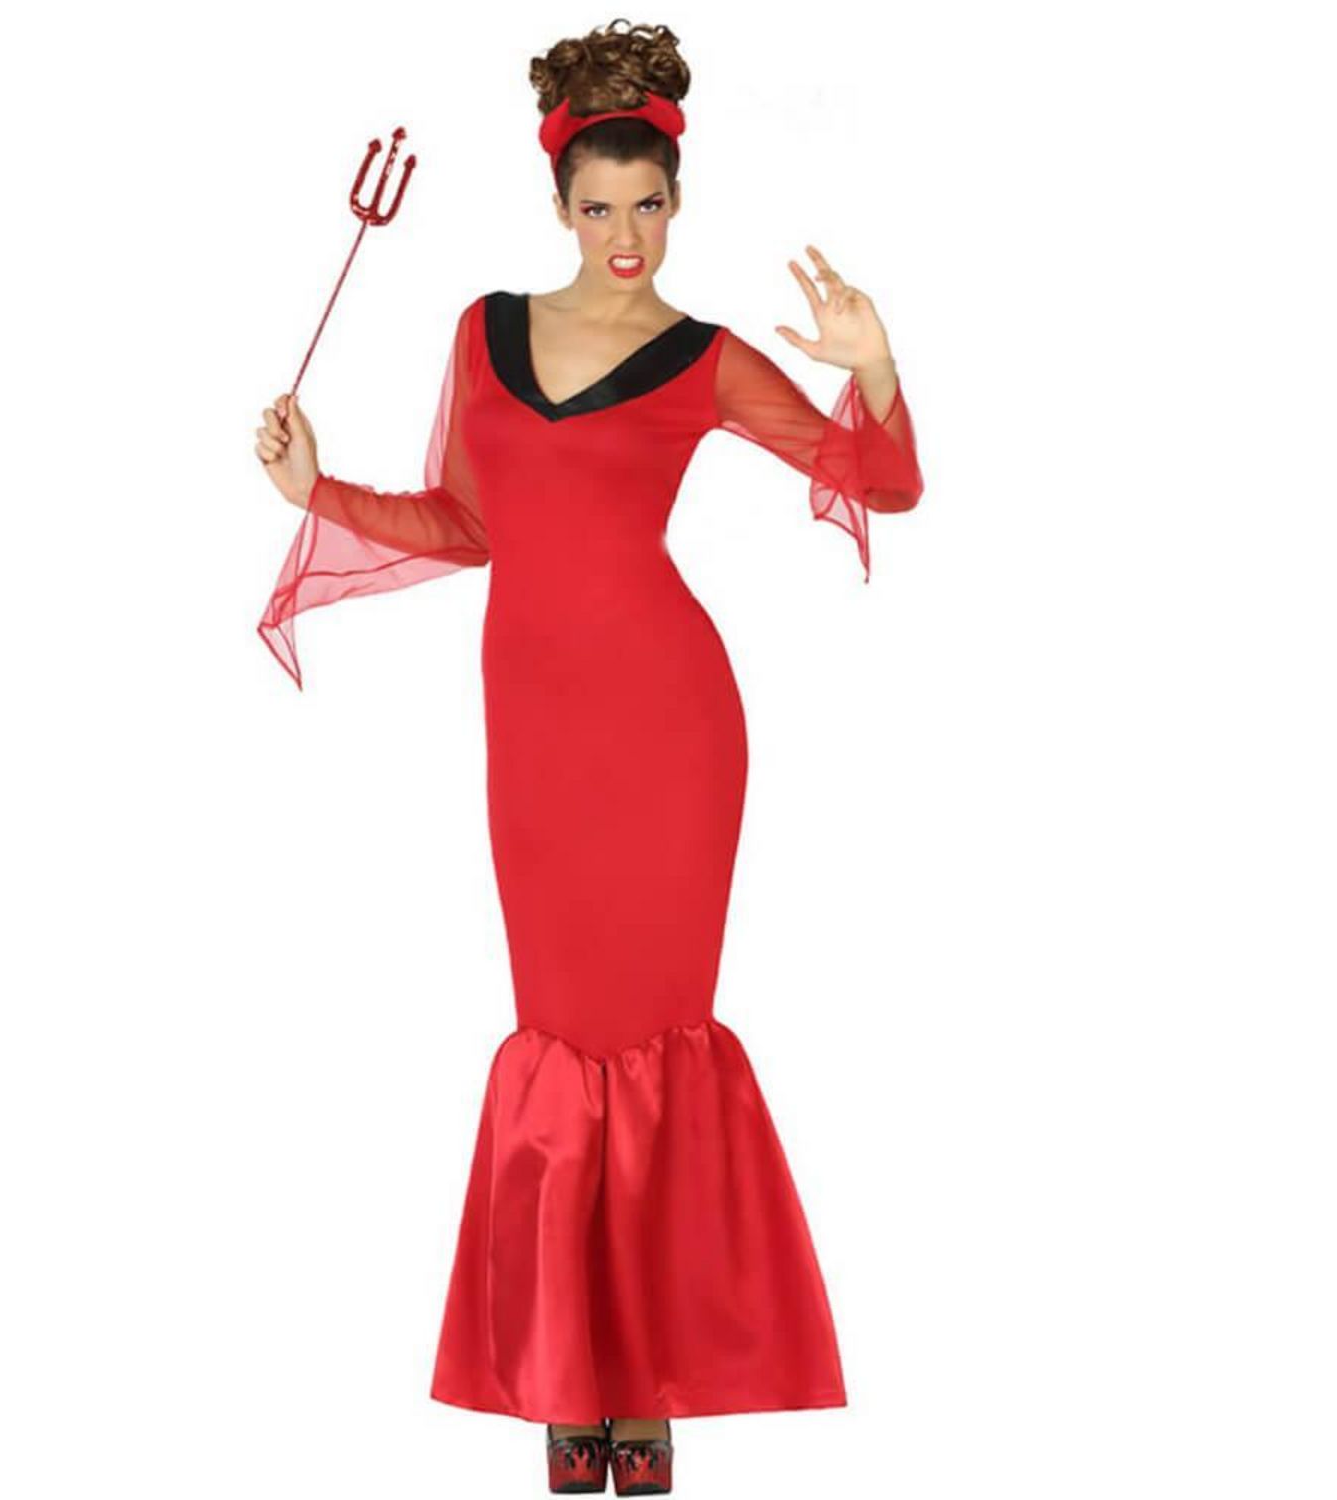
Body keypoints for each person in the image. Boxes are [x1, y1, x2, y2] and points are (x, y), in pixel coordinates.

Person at [253, 20, 923, 1496]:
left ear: (679, 202)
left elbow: (879, 483)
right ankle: (576, 1380)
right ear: (559, 203)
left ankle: (645, 1387)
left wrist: (876, 367)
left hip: (672, 729)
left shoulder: (708, 358)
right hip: (539, 734)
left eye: (652, 205)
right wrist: (320, 489)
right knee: (558, 1037)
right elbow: (465, 526)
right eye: (601, 205)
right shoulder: (481, 333)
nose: (628, 234)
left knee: (656, 1039)